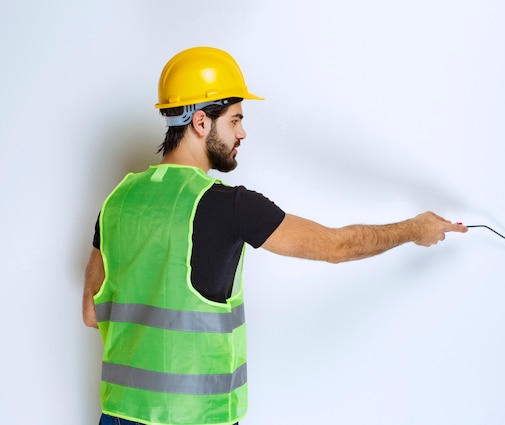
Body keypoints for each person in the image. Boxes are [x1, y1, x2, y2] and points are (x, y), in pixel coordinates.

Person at [82, 46, 467, 425]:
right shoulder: (228, 206)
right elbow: (337, 247)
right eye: (235, 120)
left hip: (118, 414)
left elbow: (90, 312)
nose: (242, 132)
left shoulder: (118, 201)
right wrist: (414, 229)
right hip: (195, 419)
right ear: (201, 122)